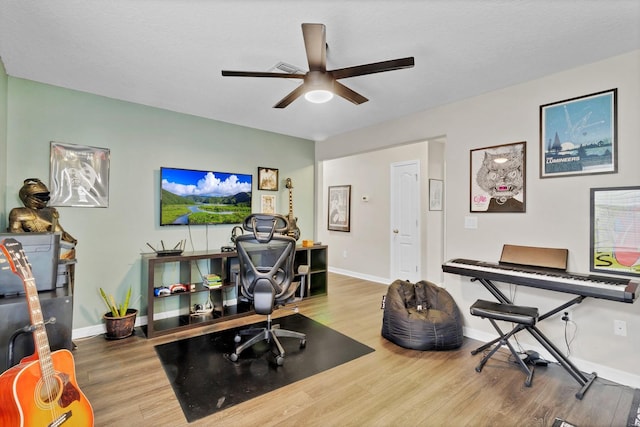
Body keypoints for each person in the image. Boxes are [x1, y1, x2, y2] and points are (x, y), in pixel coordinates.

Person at [8, 178, 77, 259]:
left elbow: (59, 232)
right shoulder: (18, 212)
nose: (43, 199)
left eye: (45, 196)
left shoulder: (50, 211)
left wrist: (71, 241)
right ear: (26, 196)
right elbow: (17, 237)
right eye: (39, 196)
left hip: (50, 251)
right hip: (30, 253)